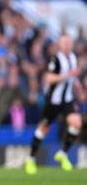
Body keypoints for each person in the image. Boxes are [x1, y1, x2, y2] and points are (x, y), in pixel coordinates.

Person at [24, 35, 83, 174]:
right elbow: (49, 78)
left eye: (69, 42)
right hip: (53, 101)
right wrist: (68, 75)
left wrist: (77, 84)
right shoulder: (55, 59)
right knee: (43, 129)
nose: (67, 45)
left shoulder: (73, 58)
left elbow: (72, 76)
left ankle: (62, 154)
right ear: (60, 45)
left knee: (77, 123)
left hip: (67, 99)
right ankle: (31, 159)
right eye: (64, 43)